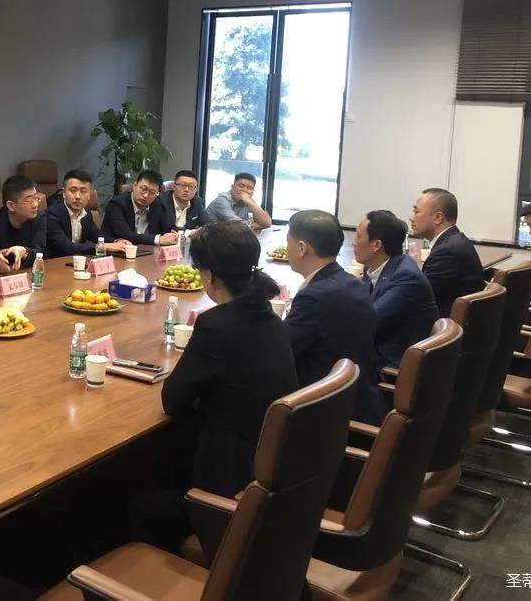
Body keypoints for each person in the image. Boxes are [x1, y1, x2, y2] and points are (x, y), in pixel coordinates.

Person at [131, 221, 297, 554]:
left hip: (229, 483)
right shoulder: (269, 315)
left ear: (208, 276)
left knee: (136, 507)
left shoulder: (217, 325)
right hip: (270, 469)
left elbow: (173, 400)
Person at [283, 209, 382, 424]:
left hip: (324, 415)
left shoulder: (313, 297)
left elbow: (281, 352)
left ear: (302, 248)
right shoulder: (354, 283)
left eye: (288, 241)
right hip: (357, 399)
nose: (286, 247)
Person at [354, 210, 439, 374]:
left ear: (376, 245)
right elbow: (359, 304)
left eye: (358, 237)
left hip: (390, 364)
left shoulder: (406, 277)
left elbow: (368, 322)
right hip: (378, 348)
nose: (354, 243)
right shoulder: (378, 267)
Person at [410, 188, 485, 318]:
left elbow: (416, 297)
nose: (411, 218)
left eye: (416, 212)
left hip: (444, 325)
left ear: (438, 218)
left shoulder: (447, 252)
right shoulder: (455, 241)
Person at [44, 169, 129, 258]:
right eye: (73, 190)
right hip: (55, 263)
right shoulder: (51, 215)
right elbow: (67, 247)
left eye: (83, 191)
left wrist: (117, 242)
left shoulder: (86, 213)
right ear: (64, 193)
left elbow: (97, 236)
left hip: (76, 262)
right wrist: (104, 246)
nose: (77, 196)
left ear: (89, 195)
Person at [102, 170, 178, 247]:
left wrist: (173, 235)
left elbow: (169, 227)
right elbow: (125, 235)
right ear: (135, 185)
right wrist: (158, 239)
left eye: (152, 193)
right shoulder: (117, 205)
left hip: (148, 251)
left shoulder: (158, 204)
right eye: (143, 189)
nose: (146, 195)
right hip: (118, 251)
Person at [204, 172, 271, 231]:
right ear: (232, 187)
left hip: (231, 236)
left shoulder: (248, 201)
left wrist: (250, 203)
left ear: (253, 191)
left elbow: (267, 223)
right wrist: (256, 225)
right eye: (241, 186)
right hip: (210, 237)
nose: (245, 190)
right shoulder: (222, 200)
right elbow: (238, 225)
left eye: (249, 188)